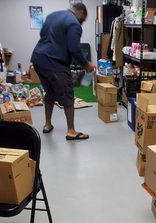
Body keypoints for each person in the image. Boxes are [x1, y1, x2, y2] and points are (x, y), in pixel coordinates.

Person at [31, 3, 94, 140]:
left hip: (38, 59)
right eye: (83, 19)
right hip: (54, 63)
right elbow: (74, 48)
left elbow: (43, 35)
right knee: (67, 95)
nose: (82, 23)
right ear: (81, 12)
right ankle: (71, 131)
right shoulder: (74, 24)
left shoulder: (52, 16)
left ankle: (47, 124)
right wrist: (86, 64)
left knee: (51, 92)